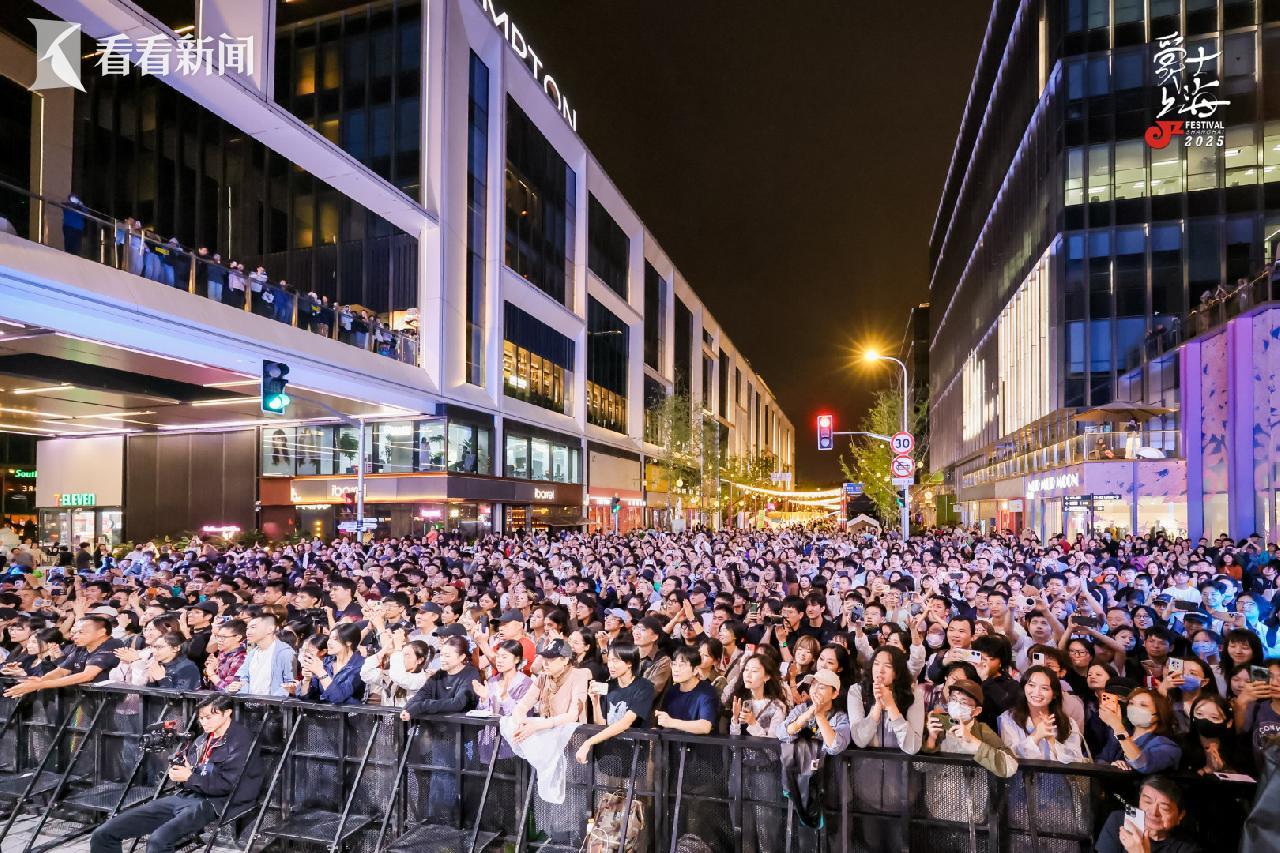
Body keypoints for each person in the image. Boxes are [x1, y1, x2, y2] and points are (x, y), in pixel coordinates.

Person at [89, 696, 265, 853]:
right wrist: (180, 773)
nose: (204, 722)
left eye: (209, 717)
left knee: (158, 841)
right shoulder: (203, 739)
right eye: (201, 718)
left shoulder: (241, 740)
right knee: (103, 833)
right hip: (187, 795)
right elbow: (192, 772)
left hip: (216, 802)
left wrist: (190, 777)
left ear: (227, 713)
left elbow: (228, 785)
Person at [922, 678, 1017, 777]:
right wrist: (931, 739)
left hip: (973, 786)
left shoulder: (982, 731)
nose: (956, 705)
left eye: (963, 702)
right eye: (953, 699)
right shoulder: (938, 725)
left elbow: (1010, 768)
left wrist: (972, 739)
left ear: (976, 711)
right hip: (939, 785)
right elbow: (920, 767)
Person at [997, 666, 1087, 762]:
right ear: (1024, 687)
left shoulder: (1068, 723)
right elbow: (1010, 758)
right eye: (1031, 685)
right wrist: (1036, 736)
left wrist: (1051, 740)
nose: (1037, 692)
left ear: (1054, 694)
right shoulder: (1009, 718)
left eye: (1044, 688)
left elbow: (1076, 760)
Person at [1095, 775, 1203, 853]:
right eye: (1147, 802)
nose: (1153, 812)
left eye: (1164, 808)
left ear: (1180, 816)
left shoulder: (1188, 848)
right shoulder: (1119, 821)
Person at [1097, 686, 1182, 773]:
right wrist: (1112, 766)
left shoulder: (1167, 746)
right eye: (1131, 703)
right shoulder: (1117, 738)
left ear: (1158, 714)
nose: (1134, 708)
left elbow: (1143, 764)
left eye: (1143, 705)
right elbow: (1100, 760)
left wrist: (1118, 728)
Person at [228, 614, 296, 698]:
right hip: (249, 703)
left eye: (253, 627)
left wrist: (273, 700)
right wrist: (236, 686)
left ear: (270, 629)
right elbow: (242, 677)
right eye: (247, 628)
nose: (248, 632)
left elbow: (291, 685)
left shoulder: (286, 653)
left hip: (273, 704)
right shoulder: (252, 653)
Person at [301, 622, 365, 704]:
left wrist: (320, 672)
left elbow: (338, 698)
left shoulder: (360, 666)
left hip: (349, 712)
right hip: (322, 711)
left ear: (348, 643)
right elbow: (306, 697)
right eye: (329, 638)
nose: (329, 642)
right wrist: (306, 680)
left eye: (334, 639)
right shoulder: (326, 662)